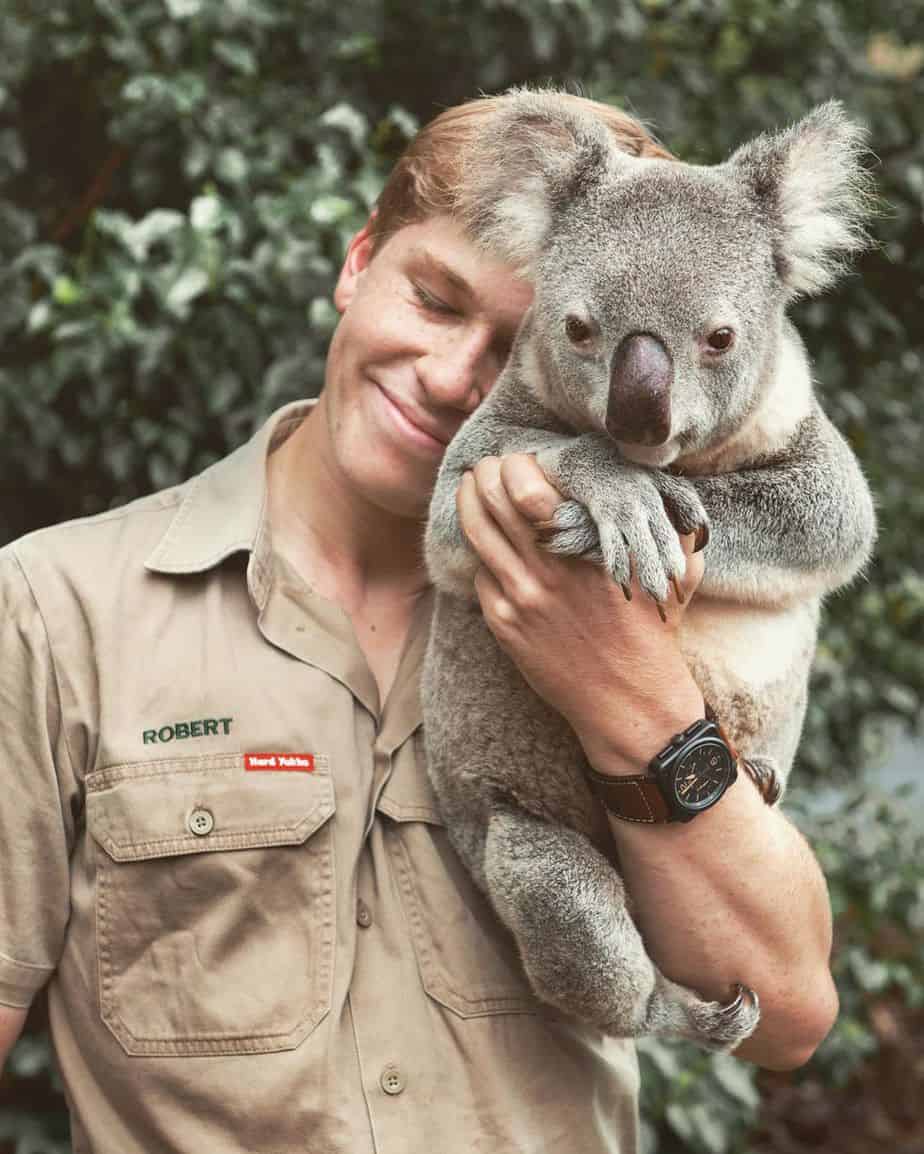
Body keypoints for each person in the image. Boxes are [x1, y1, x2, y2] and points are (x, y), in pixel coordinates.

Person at [0, 90, 838, 1153]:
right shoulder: (55, 607)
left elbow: (785, 1013)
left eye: (519, 342)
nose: (453, 380)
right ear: (358, 262)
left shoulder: (666, 596)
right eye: (435, 301)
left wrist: (629, 693)